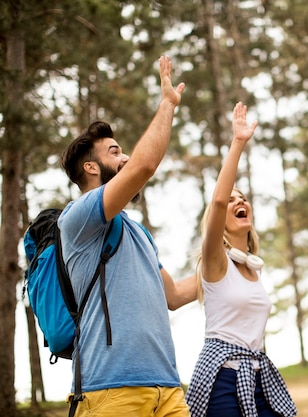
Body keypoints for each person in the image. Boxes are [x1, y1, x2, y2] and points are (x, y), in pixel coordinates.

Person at [58, 56, 197, 417]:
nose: (127, 158)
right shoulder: (79, 218)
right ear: (91, 167)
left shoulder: (138, 233)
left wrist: (227, 265)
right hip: (111, 390)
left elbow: (176, 295)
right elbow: (145, 166)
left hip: (167, 388)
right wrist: (167, 104)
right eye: (115, 152)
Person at [185, 102, 297, 417]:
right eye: (233, 200)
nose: (239, 201)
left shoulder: (253, 266)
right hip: (221, 378)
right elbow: (218, 200)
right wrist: (238, 143)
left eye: (243, 198)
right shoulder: (215, 261)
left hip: (258, 374)